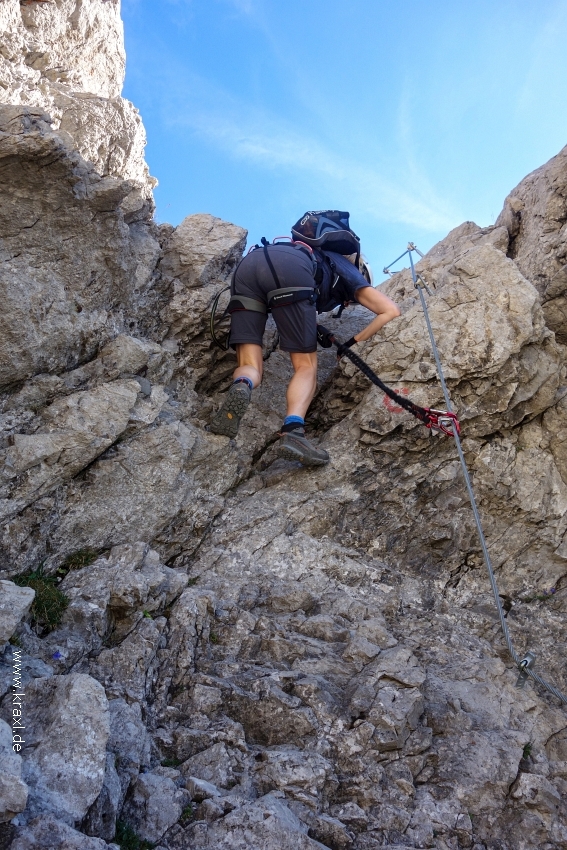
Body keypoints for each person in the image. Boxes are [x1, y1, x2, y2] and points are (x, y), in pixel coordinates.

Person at [209, 212, 400, 465]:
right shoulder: (347, 268)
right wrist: (353, 342)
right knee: (306, 366)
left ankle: (243, 384)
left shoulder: (307, 249)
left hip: (249, 266)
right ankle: (293, 432)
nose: (349, 302)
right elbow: (390, 311)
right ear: (361, 270)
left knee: (250, 364)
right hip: (293, 269)